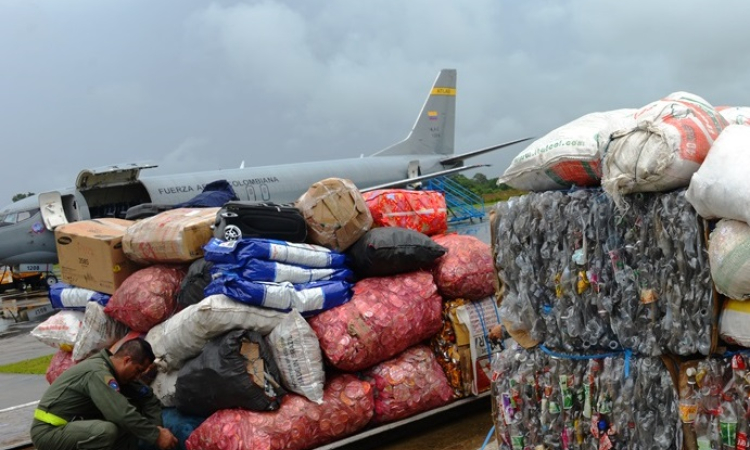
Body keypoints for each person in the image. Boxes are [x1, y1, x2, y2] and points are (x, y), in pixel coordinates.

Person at [30, 338, 178, 450]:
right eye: (138, 370)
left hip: (74, 427)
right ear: (127, 360)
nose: (138, 376)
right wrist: (156, 436)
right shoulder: (98, 373)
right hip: (49, 431)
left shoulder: (117, 374)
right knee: (107, 431)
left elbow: (148, 398)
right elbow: (121, 413)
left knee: (134, 420)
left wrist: (157, 429)